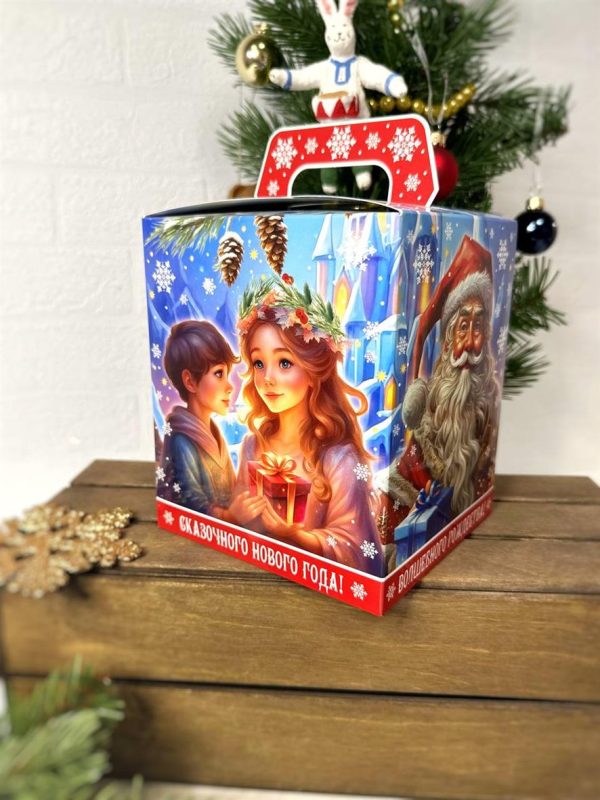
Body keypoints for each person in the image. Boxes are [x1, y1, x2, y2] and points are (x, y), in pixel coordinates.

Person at [233, 277, 385, 574]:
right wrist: (236, 513)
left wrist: (296, 536)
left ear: (314, 371)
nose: (268, 379)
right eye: (259, 363)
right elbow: (238, 525)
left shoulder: (339, 458)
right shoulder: (253, 446)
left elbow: (358, 549)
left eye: (284, 363)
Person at [391, 236, 501, 517]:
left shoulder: (488, 411)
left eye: (478, 328)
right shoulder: (428, 413)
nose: (470, 343)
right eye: (463, 327)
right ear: (449, 339)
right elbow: (400, 488)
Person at [159, 320, 264, 525]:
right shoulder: (181, 439)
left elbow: (230, 490)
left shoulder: (213, 432)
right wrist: (229, 517)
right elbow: (190, 501)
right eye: (218, 374)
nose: (230, 387)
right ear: (190, 381)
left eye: (227, 374)